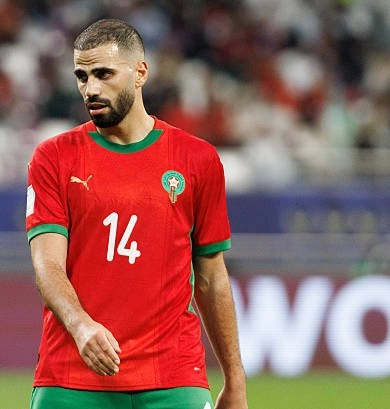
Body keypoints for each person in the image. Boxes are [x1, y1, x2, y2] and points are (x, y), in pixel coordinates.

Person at [25, 19, 248, 409]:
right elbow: (47, 266)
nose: (91, 89)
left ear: (140, 72)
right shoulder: (54, 158)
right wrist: (81, 326)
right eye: (82, 77)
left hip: (174, 377)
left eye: (103, 74)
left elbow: (211, 277)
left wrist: (235, 380)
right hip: (72, 375)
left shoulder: (197, 160)